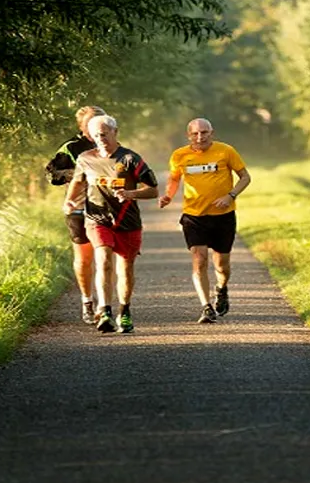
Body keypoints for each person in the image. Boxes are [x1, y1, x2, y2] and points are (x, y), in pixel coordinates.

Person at [64, 114, 158, 333]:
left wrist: (130, 193)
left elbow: (153, 190)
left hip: (127, 221)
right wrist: (70, 200)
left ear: (115, 132)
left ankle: (124, 311)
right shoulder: (85, 158)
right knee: (103, 258)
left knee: (125, 268)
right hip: (97, 218)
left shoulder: (131, 159)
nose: (101, 139)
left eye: (104, 134)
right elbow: (78, 182)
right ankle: (104, 310)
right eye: (96, 135)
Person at [158, 118, 251, 324]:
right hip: (194, 216)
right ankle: (206, 306)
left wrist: (231, 195)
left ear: (212, 132)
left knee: (222, 265)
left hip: (223, 217)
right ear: (188, 135)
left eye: (204, 132)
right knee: (199, 260)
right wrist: (168, 196)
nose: (200, 137)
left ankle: (221, 288)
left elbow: (245, 177)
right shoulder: (179, 155)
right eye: (195, 133)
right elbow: (174, 179)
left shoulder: (225, 151)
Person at [45, 105, 107, 324]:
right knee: (85, 257)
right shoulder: (71, 147)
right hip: (79, 208)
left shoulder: (111, 144)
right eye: (90, 122)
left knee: (105, 256)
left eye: (100, 120)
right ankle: (87, 301)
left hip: (105, 208)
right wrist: (80, 175)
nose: (96, 125)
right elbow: (53, 175)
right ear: (82, 126)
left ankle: (104, 304)